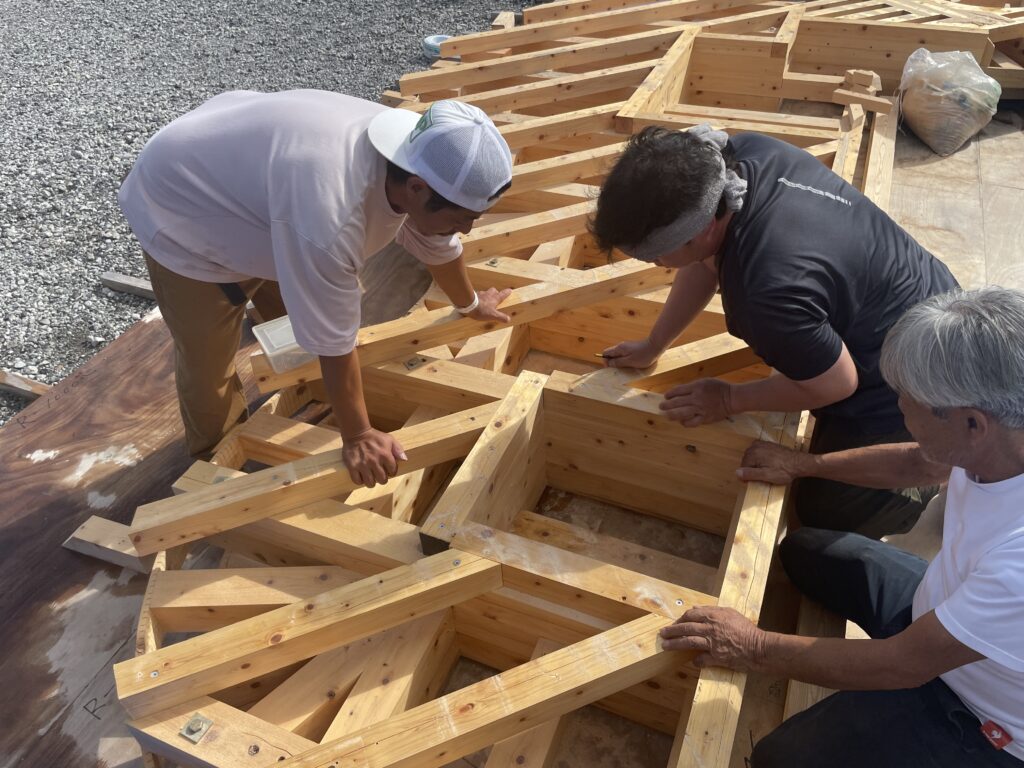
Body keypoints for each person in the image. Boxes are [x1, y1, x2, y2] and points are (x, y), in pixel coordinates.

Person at [662, 287, 1024, 767]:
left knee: (778, 759)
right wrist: (803, 465)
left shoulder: (1016, 569)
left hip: (980, 715)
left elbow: (905, 664)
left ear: (973, 424)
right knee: (803, 551)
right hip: (942, 605)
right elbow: (917, 463)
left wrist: (752, 645)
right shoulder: (996, 441)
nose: (900, 409)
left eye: (909, 402)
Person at [119, 91, 515, 486]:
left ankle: (305, 383)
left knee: (308, 300)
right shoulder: (331, 220)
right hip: (180, 204)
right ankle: (215, 466)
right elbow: (334, 338)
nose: (467, 229)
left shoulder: (421, 154)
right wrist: (359, 435)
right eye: (462, 218)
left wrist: (470, 304)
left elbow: (436, 241)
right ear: (416, 188)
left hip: (251, 178)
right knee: (208, 361)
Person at [590, 124, 959, 537]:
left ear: (700, 230)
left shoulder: (762, 292)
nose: (655, 265)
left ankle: (942, 469)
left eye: (656, 256)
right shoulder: (737, 158)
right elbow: (704, 262)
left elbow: (836, 383)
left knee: (826, 516)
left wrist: (729, 398)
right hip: (932, 298)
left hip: (920, 382)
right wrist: (653, 344)